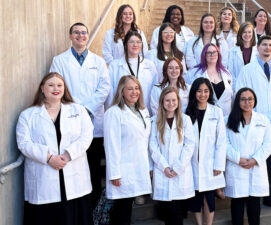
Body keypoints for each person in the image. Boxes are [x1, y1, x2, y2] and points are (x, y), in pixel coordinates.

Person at [16, 72, 94, 225]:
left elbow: (86, 135)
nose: (55, 88)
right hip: (44, 178)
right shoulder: (28, 115)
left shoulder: (78, 111)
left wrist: (68, 155)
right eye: (50, 85)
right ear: (42, 89)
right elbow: (24, 143)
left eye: (59, 85)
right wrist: (49, 158)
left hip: (73, 174)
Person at [49, 22, 111, 206]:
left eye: (84, 32)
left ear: (87, 36)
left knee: (92, 168)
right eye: (76, 32)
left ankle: (92, 210)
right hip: (69, 121)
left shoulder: (98, 61)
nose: (81, 35)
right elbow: (55, 86)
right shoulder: (59, 60)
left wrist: (86, 109)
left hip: (94, 122)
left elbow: (104, 87)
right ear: (70, 36)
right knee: (73, 168)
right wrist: (74, 109)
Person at [235, 35, 271, 212]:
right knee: (252, 160)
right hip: (253, 124)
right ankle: (250, 198)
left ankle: (270, 197)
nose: (267, 48)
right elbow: (240, 93)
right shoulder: (247, 69)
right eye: (264, 45)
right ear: (257, 47)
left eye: (270, 45)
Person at [104, 76, 152, 225]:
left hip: (138, 167)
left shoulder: (143, 111)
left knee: (127, 208)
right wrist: (114, 173)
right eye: (130, 89)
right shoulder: (114, 113)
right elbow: (111, 145)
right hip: (122, 170)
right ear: (121, 91)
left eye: (137, 88)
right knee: (121, 211)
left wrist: (149, 167)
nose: (134, 92)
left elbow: (145, 142)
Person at [225, 88, 271, 225]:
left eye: (250, 99)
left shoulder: (263, 120)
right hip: (236, 167)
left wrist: (255, 160)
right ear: (238, 101)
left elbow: (268, 144)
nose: (247, 102)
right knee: (237, 205)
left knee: (254, 207)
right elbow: (224, 144)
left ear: (254, 100)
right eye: (243, 99)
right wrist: (237, 158)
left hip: (255, 167)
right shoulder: (228, 120)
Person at [149, 87, 195, 225]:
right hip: (162, 171)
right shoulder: (155, 121)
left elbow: (189, 145)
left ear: (178, 101)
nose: (171, 103)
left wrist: (177, 167)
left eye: (174, 100)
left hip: (180, 172)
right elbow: (153, 146)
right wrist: (164, 167)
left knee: (177, 214)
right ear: (162, 102)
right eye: (167, 100)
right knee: (166, 215)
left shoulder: (185, 120)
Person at [185, 78, 226, 225]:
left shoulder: (217, 112)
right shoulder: (187, 113)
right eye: (199, 91)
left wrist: (219, 165)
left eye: (206, 91)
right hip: (192, 162)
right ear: (194, 93)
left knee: (209, 197)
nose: (202, 94)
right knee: (196, 198)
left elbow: (221, 141)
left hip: (211, 163)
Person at [106, 30, 157, 110]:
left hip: (144, 110)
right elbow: (109, 92)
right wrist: (111, 109)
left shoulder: (150, 65)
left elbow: (155, 91)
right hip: (120, 110)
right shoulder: (114, 66)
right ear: (126, 44)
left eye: (138, 42)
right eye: (131, 42)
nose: (135, 45)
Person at [186, 43, 233, 116]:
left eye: (214, 52)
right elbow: (188, 94)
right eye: (209, 53)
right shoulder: (194, 73)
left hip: (226, 117)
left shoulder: (226, 73)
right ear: (204, 55)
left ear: (218, 54)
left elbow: (231, 96)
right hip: (204, 116)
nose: (212, 54)